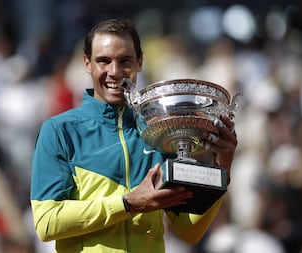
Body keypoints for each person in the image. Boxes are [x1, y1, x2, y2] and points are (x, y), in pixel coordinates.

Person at [30, 18, 238, 253]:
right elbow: (46, 222)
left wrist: (223, 169)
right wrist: (128, 204)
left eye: (125, 61)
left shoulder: (159, 131)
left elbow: (189, 231)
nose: (115, 72)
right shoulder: (59, 130)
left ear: (140, 62)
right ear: (87, 63)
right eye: (103, 61)